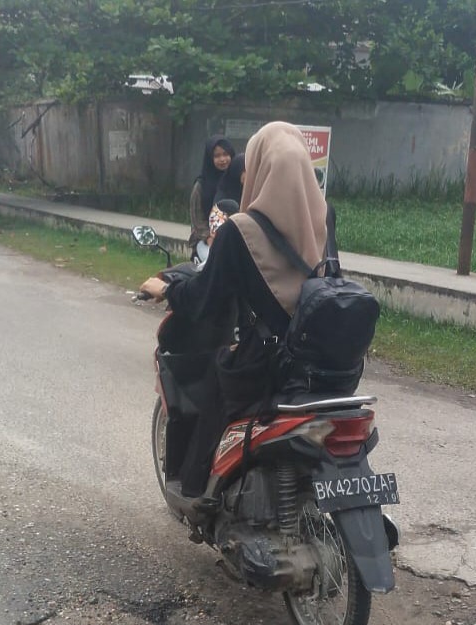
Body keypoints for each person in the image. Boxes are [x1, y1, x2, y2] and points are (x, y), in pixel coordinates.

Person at [141, 121, 333, 497]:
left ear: (259, 169)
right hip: (324, 365)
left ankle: (197, 493)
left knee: (214, 383)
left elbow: (205, 298)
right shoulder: (325, 218)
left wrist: (169, 289)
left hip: (267, 367)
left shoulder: (238, 231)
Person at [188, 135, 235, 259]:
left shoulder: (236, 181)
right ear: (209, 158)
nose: (223, 159)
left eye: (225, 154)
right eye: (217, 156)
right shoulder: (200, 186)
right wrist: (209, 238)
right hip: (205, 239)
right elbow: (197, 221)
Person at [207, 153, 246, 242]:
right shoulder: (222, 200)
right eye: (245, 170)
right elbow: (216, 233)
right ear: (237, 171)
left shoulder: (255, 194)